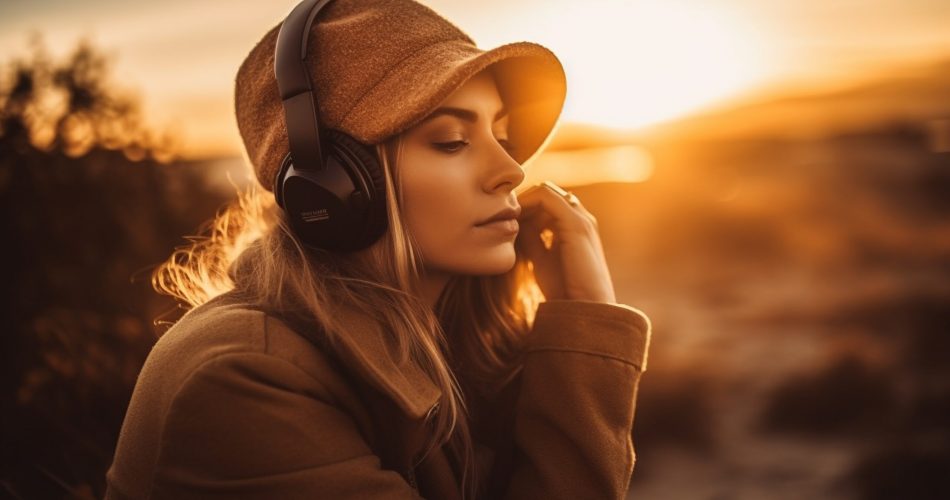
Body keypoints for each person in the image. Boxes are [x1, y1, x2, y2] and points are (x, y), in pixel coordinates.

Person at [104, 0, 652, 499]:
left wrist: (579, 316)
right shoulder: (244, 380)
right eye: (452, 142)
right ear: (334, 186)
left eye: (502, 138)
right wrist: (589, 325)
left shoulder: (446, 336)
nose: (511, 170)